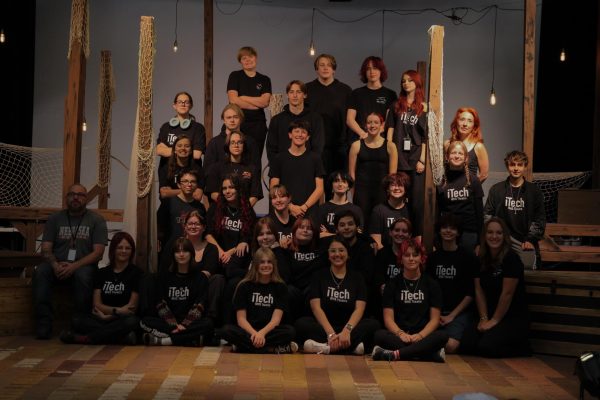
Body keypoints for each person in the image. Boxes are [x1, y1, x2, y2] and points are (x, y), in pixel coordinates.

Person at [33, 184, 108, 339]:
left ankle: (79, 322)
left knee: (84, 275)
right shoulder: (55, 219)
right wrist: (55, 265)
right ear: (67, 197)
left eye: (80, 195)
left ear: (86, 199)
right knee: (40, 271)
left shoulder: (96, 220)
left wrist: (74, 266)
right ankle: (43, 323)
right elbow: (45, 248)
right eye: (72, 194)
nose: (75, 197)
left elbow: (98, 253)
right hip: (57, 264)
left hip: (83, 265)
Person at [460, 218, 531, 358]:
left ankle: (523, 348)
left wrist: (494, 321)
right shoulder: (480, 259)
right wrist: (483, 318)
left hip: (511, 317)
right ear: (484, 235)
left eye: (499, 233)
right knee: (466, 345)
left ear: (504, 236)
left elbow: (507, 294)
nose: (494, 236)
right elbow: (478, 290)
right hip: (489, 313)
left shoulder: (511, 259)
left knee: (487, 347)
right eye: (490, 232)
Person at [295, 238, 380, 355]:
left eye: (341, 250)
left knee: (373, 325)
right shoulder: (318, 276)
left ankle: (325, 347)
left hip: (349, 326)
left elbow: (359, 309)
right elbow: (316, 308)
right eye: (333, 251)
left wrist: (346, 331)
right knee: (301, 323)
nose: (337, 254)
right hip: (325, 326)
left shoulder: (357, 277)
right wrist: (330, 333)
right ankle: (351, 347)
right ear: (328, 255)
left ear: (348, 254)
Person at [372, 239, 449, 362]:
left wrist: (420, 336)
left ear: (421, 258)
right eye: (407, 255)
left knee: (442, 336)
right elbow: (388, 319)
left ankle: (394, 354)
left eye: (415, 255)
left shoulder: (431, 284)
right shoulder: (392, 284)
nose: (411, 259)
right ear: (401, 259)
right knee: (379, 335)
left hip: (423, 335)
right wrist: (401, 334)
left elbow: (435, 320)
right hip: (400, 335)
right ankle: (428, 354)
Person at [60, 231, 142, 345]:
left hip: (121, 319)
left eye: (128, 248)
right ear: (113, 249)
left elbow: (131, 309)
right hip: (102, 318)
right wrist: (113, 312)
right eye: (120, 247)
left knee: (133, 321)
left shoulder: (137, 273)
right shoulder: (102, 273)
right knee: (77, 320)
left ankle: (86, 338)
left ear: (132, 251)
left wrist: (109, 316)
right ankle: (121, 339)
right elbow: (97, 304)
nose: (124, 251)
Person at [219, 248, 297, 354]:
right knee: (226, 330)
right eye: (262, 262)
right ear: (256, 265)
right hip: (248, 330)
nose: (266, 265)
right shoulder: (244, 286)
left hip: (269, 330)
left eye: (269, 262)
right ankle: (271, 349)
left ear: (274, 264)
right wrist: (255, 334)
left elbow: (276, 320)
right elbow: (241, 319)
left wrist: (262, 334)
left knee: (290, 331)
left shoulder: (280, 287)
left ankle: (244, 348)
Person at [140, 238, 214, 346]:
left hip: (190, 321)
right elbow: (160, 303)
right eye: (178, 251)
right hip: (168, 320)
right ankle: (190, 339)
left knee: (208, 324)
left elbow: (200, 305)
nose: (181, 254)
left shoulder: (200, 277)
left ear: (191, 253)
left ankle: (167, 341)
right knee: (144, 321)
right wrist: (173, 325)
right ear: (173, 255)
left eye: (185, 251)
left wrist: (185, 325)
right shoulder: (164, 277)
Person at [484, 150, 546, 269]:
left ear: (525, 167)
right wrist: (492, 236)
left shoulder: (534, 191)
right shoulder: (496, 189)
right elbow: (487, 215)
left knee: (527, 272)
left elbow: (539, 219)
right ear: (508, 166)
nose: (516, 168)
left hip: (523, 241)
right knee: (496, 271)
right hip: (501, 239)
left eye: (519, 165)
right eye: (512, 164)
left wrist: (530, 239)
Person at [426, 214, 476, 353]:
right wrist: (436, 314)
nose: (448, 231)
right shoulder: (432, 258)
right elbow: (429, 289)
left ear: (458, 232)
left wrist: (452, 316)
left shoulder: (468, 257)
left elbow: (471, 293)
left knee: (451, 346)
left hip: (458, 313)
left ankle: (427, 349)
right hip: (435, 311)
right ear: (439, 231)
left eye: (452, 228)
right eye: (444, 227)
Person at [386, 70, 428, 235]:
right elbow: (390, 130)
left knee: (416, 202)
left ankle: (416, 235)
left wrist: (422, 160)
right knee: (397, 197)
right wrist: (389, 153)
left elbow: (425, 137)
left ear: (417, 83)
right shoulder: (396, 105)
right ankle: (397, 233)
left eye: (410, 80)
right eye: (403, 81)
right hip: (399, 158)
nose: (406, 83)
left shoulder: (424, 108)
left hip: (416, 158)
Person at [305, 54, 352, 174]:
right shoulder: (307, 89)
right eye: (322, 65)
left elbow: (350, 119)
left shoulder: (345, 90)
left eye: (329, 65)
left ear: (334, 69)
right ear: (316, 69)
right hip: (313, 146)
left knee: (338, 186)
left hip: (339, 147)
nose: (325, 68)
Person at [269, 120, 325, 220]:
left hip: (309, 211)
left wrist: (304, 207)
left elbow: (320, 189)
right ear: (290, 135)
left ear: (308, 137)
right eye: (296, 131)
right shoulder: (279, 158)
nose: (300, 134)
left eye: (303, 132)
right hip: (285, 211)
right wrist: (290, 207)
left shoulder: (315, 159)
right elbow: (274, 188)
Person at [349, 112, 397, 228]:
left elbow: (393, 176)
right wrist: (352, 195)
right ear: (365, 126)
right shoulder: (356, 145)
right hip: (361, 192)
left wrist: (390, 195)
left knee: (380, 225)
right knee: (362, 224)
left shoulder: (390, 146)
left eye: (376, 122)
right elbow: (351, 174)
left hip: (382, 192)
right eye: (369, 122)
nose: (372, 125)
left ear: (381, 126)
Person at [205, 174, 256, 281]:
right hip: (218, 252)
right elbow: (207, 233)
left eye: (231, 187)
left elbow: (248, 237)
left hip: (237, 254)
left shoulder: (247, 210)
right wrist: (221, 252)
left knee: (231, 270)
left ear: (239, 189)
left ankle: (253, 275)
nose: (227, 191)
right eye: (224, 188)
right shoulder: (215, 208)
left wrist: (230, 252)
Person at [437, 141, 484, 253]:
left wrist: (480, 242)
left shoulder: (473, 180)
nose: (457, 156)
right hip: (448, 232)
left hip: (469, 233)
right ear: (447, 157)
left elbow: (479, 213)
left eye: (460, 153)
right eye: (453, 153)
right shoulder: (441, 181)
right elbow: (437, 212)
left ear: (466, 158)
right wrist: (436, 237)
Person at [157, 169, 206, 271]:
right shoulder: (168, 203)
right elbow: (158, 226)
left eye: (192, 182)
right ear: (179, 185)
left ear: (196, 185)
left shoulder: (200, 207)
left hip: (191, 254)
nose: (189, 184)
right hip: (169, 252)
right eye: (185, 181)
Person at [266, 80, 324, 167]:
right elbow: (271, 148)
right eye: (291, 92)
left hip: (307, 167)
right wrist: (277, 166)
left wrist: (309, 164)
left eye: (299, 92)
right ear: (287, 95)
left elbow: (318, 147)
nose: (295, 95)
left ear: (305, 95)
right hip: (283, 167)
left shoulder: (315, 119)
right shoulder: (277, 120)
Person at [227, 46, 271, 159]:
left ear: (255, 58)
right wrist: (256, 104)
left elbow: (265, 102)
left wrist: (243, 97)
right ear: (240, 62)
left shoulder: (265, 79)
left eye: (250, 57)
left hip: (258, 125)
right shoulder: (235, 76)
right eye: (244, 58)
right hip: (239, 124)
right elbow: (233, 100)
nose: (247, 60)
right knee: (238, 158)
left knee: (255, 159)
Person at [183, 211, 223, 324]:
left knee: (218, 279)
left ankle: (209, 320)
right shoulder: (177, 245)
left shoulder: (211, 248)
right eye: (190, 224)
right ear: (185, 227)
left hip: (202, 288)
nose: (193, 226)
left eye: (197, 224)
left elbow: (208, 273)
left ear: (204, 227)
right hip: (180, 286)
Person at [205, 131, 263, 207]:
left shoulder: (252, 169)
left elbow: (255, 195)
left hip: (245, 212)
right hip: (221, 211)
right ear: (227, 145)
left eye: (239, 142)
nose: (236, 145)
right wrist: (229, 209)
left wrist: (241, 210)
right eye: (232, 142)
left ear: (244, 145)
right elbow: (213, 193)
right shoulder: (216, 168)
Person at [346, 56, 397, 142]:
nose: (372, 72)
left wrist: (375, 134)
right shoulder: (356, 93)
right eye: (368, 69)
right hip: (360, 140)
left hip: (381, 141)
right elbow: (349, 119)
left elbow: (389, 120)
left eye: (375, 68)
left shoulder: (391, 94)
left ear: (381, 71)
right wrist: (363, 134)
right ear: (364, 72)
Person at [204, 104, 260, 173]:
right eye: (229, 117)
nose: (232, 120)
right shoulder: (214, 143)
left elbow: (256, 169)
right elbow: (207, 171)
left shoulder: (250, 142)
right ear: (224, 120)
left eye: (235, 117)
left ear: (241, 119)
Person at [156, 92, 206, 169]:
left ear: (191, 105)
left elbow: (197, 154)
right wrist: (185, 151)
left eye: (186, 102)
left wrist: (169, 150)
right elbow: (159, 150)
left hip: (190, 174)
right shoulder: (166, 127)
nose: (183, 104)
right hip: (168, 173)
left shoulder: (198, 128)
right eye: (179, 102)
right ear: (174, 106)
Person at [285, 217, 323, 319]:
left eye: (309, 228)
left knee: (313, 290)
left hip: (311, 292)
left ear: (314, 232)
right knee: (289, 290)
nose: (305, 230)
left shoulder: (321, 247)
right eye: (301, 227)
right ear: (294, 230)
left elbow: (339, 238)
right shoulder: (286, 249)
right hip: (293, 291)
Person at [369, 172, 413, 250]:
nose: (396, 188)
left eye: (400, 185)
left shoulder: (411, 210)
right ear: (387, 189)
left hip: (407, 256)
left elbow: (416, 240)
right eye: (393, 185)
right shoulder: (378, 210)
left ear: (405, 189)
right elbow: (376, 242)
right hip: (385, 256)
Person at [446, 107, 489, 182]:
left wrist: (469, 189)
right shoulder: (447, 144)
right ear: (456, 122)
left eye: (469, 121)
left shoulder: (478, 147)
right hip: (450, 191)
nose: (465, 124)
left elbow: (484, 175)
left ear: (474, 126)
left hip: (468, 192)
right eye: (462, 119)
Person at [317, 171, 364, 237]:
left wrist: (330, 234)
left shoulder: (356, 210)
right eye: (336, 181)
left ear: (348, 187)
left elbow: (358, 236)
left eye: (344, 181)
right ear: (332, 186)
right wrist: (347, 235)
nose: (340, 184)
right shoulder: (322, 209)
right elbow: (320, 235)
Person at [158, 134, 204, 201]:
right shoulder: (165, 167)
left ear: (191, 150)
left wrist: (171, 191)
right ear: (174, 150)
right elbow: (164, 193)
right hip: (169, 207)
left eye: (187, 146)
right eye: (179, 146)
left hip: (190, 208)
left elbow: (197, 196)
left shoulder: (197, 169)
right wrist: (189, 190)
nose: (183, 148)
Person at [374, 218, 413, 294]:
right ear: (390, 232)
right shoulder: (382, 253)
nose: (400, 234)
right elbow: (378, 278)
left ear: (410, 235)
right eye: (397, 230)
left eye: (404, 231)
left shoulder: (413, 255)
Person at [250, 216, 290, 283]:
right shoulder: (249, 250)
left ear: (275, 235)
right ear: (256, 237)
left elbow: (286, 278)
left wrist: (277, 250)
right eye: (261, 234)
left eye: (269, 233)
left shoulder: (282, 251)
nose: (265, 237)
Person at [268, 184, 295, 248]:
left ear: (289, 198)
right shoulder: (267, 222)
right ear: (271, 201)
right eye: (274, 197)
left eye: (282, 196)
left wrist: (294, 242)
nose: (278, 200)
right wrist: (277, 243)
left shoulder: (296, 222)